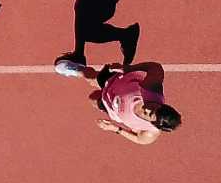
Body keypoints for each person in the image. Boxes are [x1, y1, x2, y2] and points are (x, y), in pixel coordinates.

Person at [53, 60, 183, 144]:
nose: (147, 109)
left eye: (149, 115)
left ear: (154, 124)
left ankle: (98, 90)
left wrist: (115, 129)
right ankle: (78, 70)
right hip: (116, 82)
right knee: (91, 77)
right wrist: (129, 69)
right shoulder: (151, 88)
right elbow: (155, 67)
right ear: (161, 104)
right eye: (154, 107)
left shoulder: (150, 132)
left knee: (93, 98)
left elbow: (140, 139)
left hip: (112, 105)